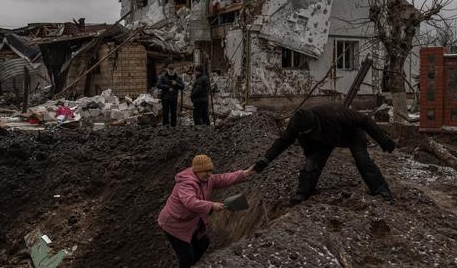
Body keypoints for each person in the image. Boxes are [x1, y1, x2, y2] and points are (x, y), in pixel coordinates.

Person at [252, 103, 397, 205]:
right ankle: (304, 193)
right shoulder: (297, 124)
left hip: (351, 134)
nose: (308, 134)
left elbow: (365, 121)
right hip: (324, 140)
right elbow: (282, 142)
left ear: (315, 124)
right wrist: (265, 160)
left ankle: (381, 191)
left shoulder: (333, 113)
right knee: (311, 163)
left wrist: (383, 140)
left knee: (362, 160)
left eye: (310, 131)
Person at [158, 154, 255, 267]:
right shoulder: (186, 184)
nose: (209, 174)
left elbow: (224, 178)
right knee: (186, 257)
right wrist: (212, 205)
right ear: (196, 171)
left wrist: (245, 173)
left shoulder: (207, 179)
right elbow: (190, 202)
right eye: (205, 171)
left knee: (203, 243)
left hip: (189, 222)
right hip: (173, 224)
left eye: (210, 170)